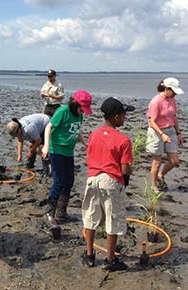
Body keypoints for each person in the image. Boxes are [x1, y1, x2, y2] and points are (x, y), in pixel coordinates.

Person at [81, 97, 134, 272]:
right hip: (110, 181)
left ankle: (89, 255)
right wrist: (127, 174)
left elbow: (88, 159)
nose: (125, 117)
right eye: (124, 114)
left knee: (91, 217)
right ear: (116, 117)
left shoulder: (94, 134)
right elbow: (125, 169)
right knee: (113, 219)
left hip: (92, 179)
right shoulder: (123, 140)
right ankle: (110, 260)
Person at [41, 90, 92, 224]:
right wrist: (46, 146)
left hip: (69, 152)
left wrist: (85, 143)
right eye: (82, 109)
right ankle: (50, 212)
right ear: (75, 104)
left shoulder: (79, 115)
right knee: (59, 181)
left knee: (69, 181)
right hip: (56, 149)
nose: (83, 112)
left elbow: (77, 130)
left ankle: (62, 212)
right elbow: (48, 127)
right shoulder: (63, 111)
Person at [146, 77, 184, 192]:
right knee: (157, 162)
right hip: (156, 132)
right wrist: (162, 134)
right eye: (173, 92)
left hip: (170, 130)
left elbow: (174, 117)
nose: (175, 95)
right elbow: (152, 122)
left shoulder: (172, 100)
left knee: (174, 161)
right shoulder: (156, 101)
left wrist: (178, 133)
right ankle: (153, 186)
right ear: (167, 89)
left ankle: (160, 175)